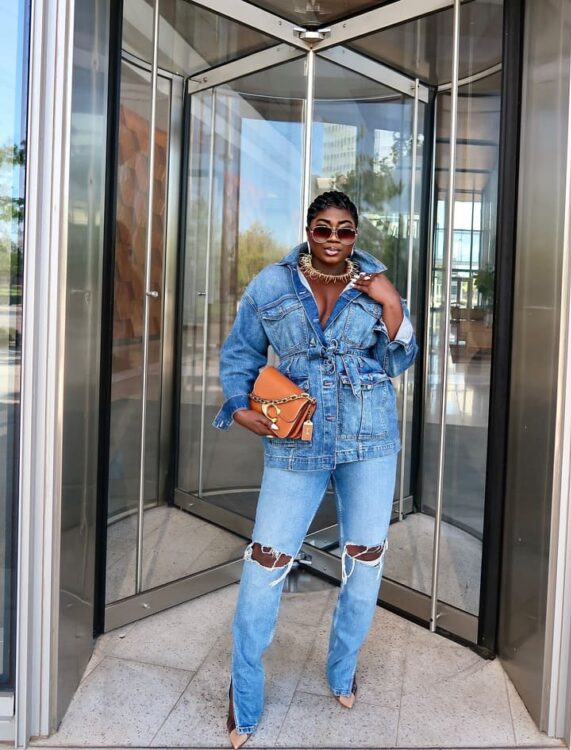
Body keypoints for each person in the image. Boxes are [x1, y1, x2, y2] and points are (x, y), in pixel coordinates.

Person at [212, 191, 418, 748]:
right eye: (323, 228)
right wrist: (240, 407)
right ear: (308, 229)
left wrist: (391, 302)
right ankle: (245, 691)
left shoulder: (372, 281)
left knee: (365, 557)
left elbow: (398, 359)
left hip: (368, 434)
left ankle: (342, 667)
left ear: (355, 233)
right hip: (295, 434)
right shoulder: (271, 285)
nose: (333, 239)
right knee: (266, 561)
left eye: (344, 230)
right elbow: (240, 355)